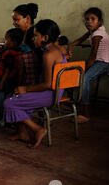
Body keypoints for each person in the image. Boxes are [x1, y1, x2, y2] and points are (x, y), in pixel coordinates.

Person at [4, 19, 67, 149]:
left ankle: (38, 129)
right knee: (13, 95)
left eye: (36, 36)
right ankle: (22, 133)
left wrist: (25, 89)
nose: (33, 39)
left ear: (45, 37)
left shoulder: (49, 55)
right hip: (56, 91)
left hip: (51, 94)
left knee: (9, 102)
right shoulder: (56, 49)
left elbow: (49, 84)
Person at [68, 7, 109, 124]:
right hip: (100, 62)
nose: (88, 21)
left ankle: (85, 113)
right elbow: (81, 39)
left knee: (84, 78)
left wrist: (85, 69)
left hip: (104, 63)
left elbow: (93, 55)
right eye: (87, 19)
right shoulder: (93, 31)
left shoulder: (98, 34)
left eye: (92, 19)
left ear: (100, 22)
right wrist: (71, 45)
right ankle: (72, 103)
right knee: (73, 71)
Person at [0, 28, 24, 124]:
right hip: (12, 80)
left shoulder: (9, 53)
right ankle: (8, 119)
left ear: (14, 42)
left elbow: (7, 68)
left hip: (5, 80)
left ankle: (1, 118)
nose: (4, 42)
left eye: (6, 40)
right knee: (8, 98)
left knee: (1, 99)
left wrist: (2, 82)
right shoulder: (19, 52)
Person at [12, 3, 41, 86]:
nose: (14, 23)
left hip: (33, 80)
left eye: (16, 20)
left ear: (27, 18)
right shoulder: (22, 34)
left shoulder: (34, 36)